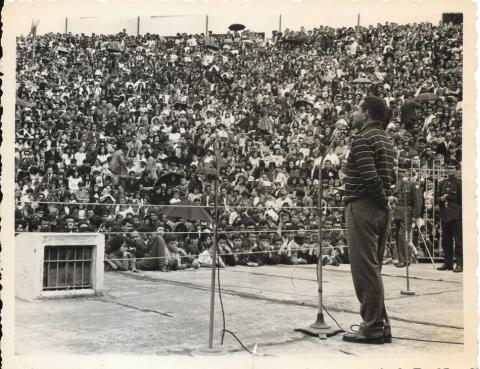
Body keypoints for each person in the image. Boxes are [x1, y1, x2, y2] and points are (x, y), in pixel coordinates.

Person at [342, 96, 396, 345]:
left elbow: (371, 179)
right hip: (380, 210)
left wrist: (380, 199)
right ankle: (381, 324)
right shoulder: (385, 138)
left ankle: (372, 327)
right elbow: (386, 177)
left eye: (355, 108)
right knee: (373, 269)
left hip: (363, 206)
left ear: (366, 114)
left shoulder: (363, 139)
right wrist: (384, 201)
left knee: (364, 271)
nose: (353, 114)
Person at [392, 169, 423, 267]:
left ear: (408, 173)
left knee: (403, 235)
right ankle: (403, 259)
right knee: (397, 235)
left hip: (408, 211)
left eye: (404, 171)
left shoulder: (414, 184)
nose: (402, 173)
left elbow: (418, 201)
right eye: (400, 171)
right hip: (398, 211)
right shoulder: (397, 184)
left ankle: (404, 260)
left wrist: (415, 216)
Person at [437, 164, 462, 272]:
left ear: (457, 170)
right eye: (448, 168)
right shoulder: (442, 183)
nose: (449, 170)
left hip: (456, 215)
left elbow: (462, 199)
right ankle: (448, 263)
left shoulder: (460, 183)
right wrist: (441, 199)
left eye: (451, 168)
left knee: (458, 240)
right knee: (446, 241)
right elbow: (437, 197)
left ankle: (460, 264)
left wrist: (448, 197)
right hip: (445, 215)